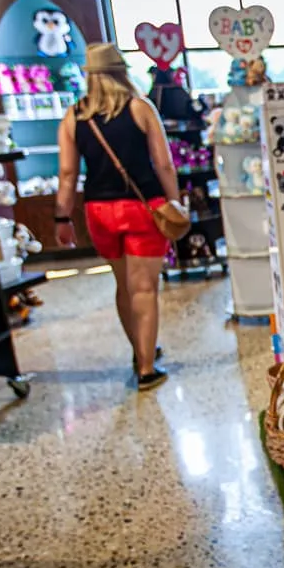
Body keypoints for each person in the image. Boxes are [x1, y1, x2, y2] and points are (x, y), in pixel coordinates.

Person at [55, 43, 180, 390]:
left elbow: (67, 174)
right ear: (121, 71)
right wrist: (175, 202)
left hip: (99, 211)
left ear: (89, 76)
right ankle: (146, 367)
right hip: (142, 209)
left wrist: (61, 218)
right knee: (144, 288)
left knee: (123, 286)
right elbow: (164, 164)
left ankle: (139, 351)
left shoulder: (74, 116)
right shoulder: (141, 109)